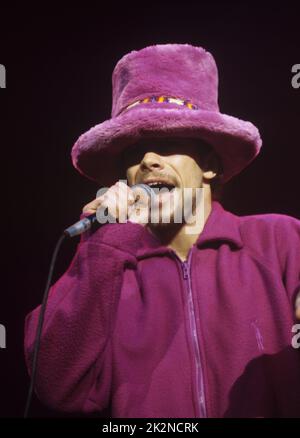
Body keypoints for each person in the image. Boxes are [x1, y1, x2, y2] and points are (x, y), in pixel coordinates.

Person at [24, 44, 300, 418]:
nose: (148, 160)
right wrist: (103, 245)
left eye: (168, 143)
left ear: (210, 165)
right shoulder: (108, 269)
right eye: (134, 153)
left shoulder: (278, 240)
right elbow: (57, 386)